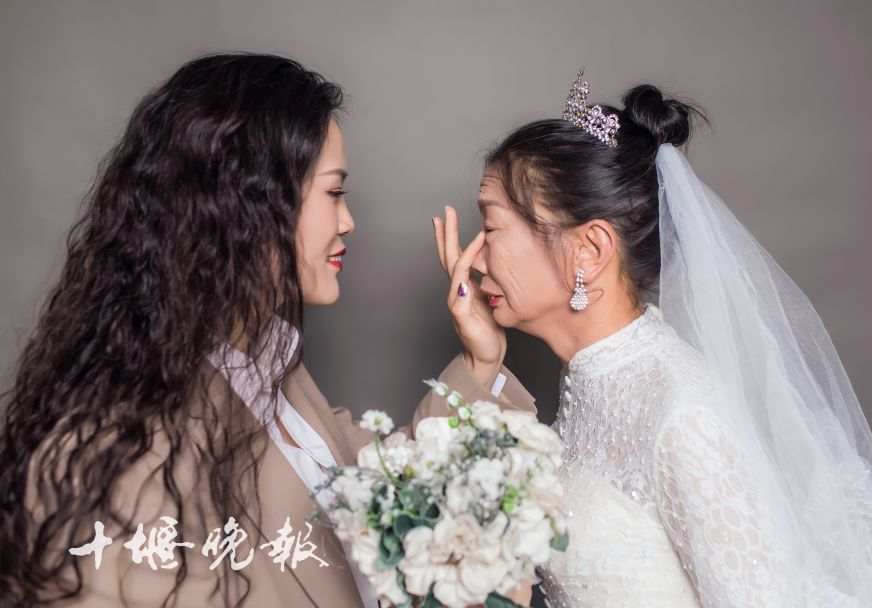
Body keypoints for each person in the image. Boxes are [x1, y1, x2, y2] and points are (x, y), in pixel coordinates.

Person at [0, 53, 536, 607]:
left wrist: (480, 360)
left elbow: (383, 485)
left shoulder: (269, 366)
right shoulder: (125, 445)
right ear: (249, 203)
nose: (348, 220)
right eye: (333, 193)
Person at [433, 69, 872, 607]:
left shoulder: (682, 409)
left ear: (589, 251)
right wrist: (482, 359)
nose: (472, 255)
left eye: (492, 227)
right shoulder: (595, 374)